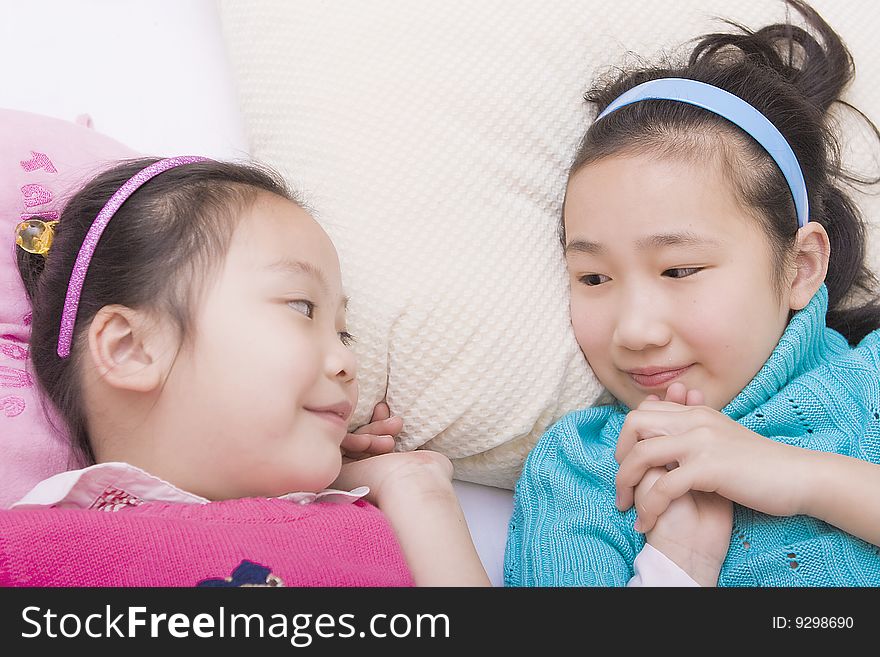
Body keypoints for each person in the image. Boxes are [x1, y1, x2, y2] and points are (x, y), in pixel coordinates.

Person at [505, 0, 880, 586]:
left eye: (679, 271)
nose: (635, 330)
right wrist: (678, 565)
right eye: (594, 279)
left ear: (802, 266)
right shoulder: (578, 471)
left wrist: (804, 477)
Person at [5, 156, 489, 587]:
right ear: (132, 347)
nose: (348, 362)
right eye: (302, 307)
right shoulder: (28, 551)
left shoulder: (389, 523)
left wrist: (416, 486)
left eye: (344, 333)